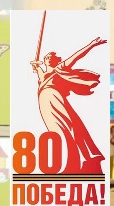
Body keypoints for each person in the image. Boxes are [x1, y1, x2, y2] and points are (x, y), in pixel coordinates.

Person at [31, 36, 107, 174]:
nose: (49, 57)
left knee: (68, 127)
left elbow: (76, 56)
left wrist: (91, 44)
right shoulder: (43, 74)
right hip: (45, 102)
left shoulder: (59, 68)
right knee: (55, 130)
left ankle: (77, 162)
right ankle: (65, 163)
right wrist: (35, 66)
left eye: (52, 56)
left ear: (57, 60)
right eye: (47, 56)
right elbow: (38, 71)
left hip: (55, 99)